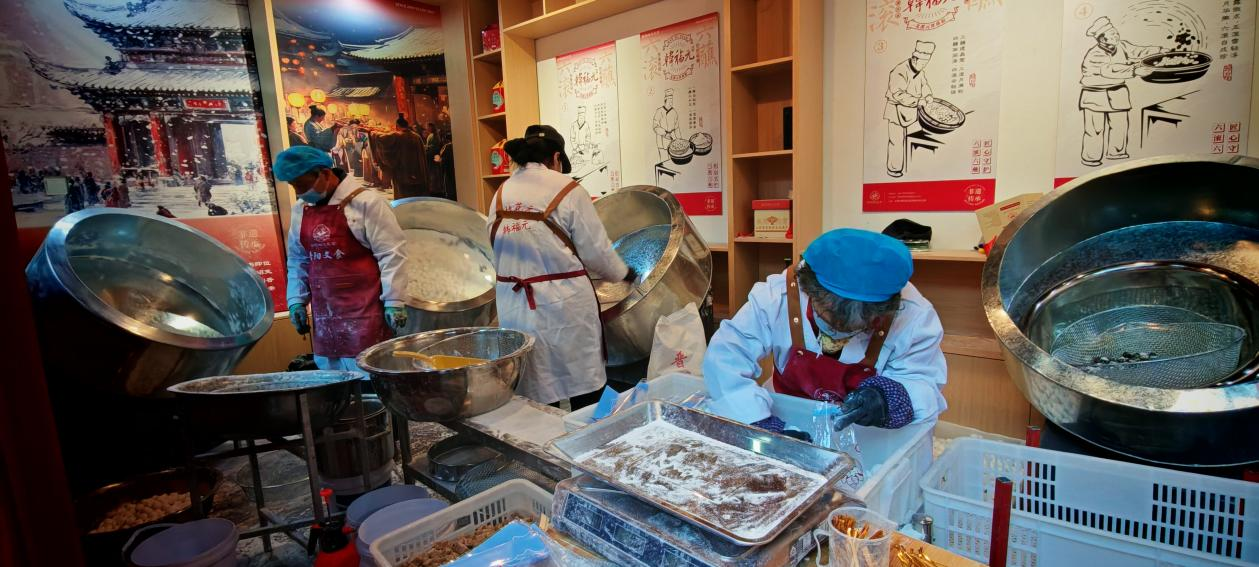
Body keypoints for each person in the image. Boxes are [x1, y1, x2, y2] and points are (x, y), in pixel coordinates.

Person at [704, 229, 947, 435]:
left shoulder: (913, 315)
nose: (838, 334)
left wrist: (887, 398)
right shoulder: (779, 295)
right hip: (785, 414)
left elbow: (923, 382)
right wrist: (761, 424)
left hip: (866, 433)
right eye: (829, 318)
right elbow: (726, 357)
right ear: (809, 290)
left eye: (858, 326)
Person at [488, 125, 634, 408]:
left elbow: (496, 247)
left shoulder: (501, 193)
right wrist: (622, 273)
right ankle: (587, 430)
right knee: (583, 381)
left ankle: (545, 434)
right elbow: (596, 251)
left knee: (536, 385)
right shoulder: (568, 190)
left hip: (515, 304)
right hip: (564, 304)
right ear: (556, 157)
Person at [275, 146, 409, 372]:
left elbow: (391, 254)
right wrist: (296, 300)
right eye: (293, 186)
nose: (299, 192)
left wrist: (394, 301)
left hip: (366, 311)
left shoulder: (368, 203)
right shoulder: (301, 209)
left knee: (370, 374)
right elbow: (298, 259)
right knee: (334, 380)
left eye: (302, 184)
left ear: (325, 174)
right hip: (326, 314)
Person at [1078, 16, 1161, 167]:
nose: (1116, 35)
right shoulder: (1095, 54)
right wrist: (1134, 70)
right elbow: (1110, 70)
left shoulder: (1121, 45)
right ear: (1102, 39)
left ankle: (1116, 154)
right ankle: (1091, 158)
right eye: (1112, 34)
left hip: (1117, 93)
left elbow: (1138, 51)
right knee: (1095, 129)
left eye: (1115, 32)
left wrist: (1160, 51)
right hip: (1095, 95)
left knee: (1120, 126)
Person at [885, 41, 935, 178]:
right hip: (896, 110)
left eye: (926, 63)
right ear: (914, 59)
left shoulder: (920, 71)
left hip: (912, 110)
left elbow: (924, 85)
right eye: (922, 63)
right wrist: (918, 101)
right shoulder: (899, 71)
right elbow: (898, 93)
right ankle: (894, 169)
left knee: (916, 139)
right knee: (896, 141)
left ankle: (916, 172)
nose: (923, 66)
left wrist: (928, 95)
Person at [370, 114, 426, 199]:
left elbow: (381, 138)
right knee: (415, 195)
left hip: (403, 171)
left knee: (403, 195)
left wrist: (373, 133)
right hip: (417, 171)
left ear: (397, 126)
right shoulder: (417, 137)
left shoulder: (398, 136)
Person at [652, 89, 679, 162]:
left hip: (671, 140)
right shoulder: (659, 111)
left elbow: (677, 128)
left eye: (672, 102)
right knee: (664, 161)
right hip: (662, 140)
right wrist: (665, 133)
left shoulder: (674, 112)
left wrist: (679, 139)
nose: (671, 103)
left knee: (671, 161)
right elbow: (655, 126)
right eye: (669, 101)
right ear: (665, 101)